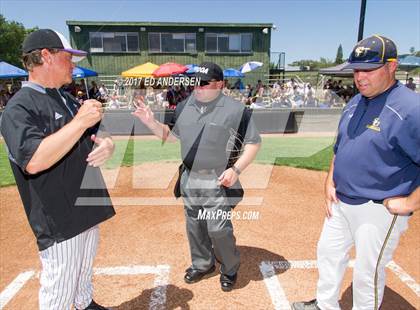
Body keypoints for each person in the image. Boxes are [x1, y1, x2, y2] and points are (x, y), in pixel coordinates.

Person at [292, 35, 420, 310]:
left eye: (369, 69)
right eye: (357, 70)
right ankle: (324, 306)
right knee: (328, 254)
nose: (360, 77)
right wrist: (330, 180)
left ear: (392, 66)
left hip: (379, 207)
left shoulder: (411, 108)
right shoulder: (355, 102)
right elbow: (340, 147)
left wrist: (410, 202)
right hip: (341, 201)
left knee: (367, 273)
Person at [0, 29, 115, 310]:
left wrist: (107, 144)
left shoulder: (64, 98)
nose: (73, 65)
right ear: (46, 56)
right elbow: (34, 160)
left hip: (84, 202)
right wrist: (79, 123)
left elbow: (96, 134)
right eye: (68, 58)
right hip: (58, 215)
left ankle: (85, 303)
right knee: (59, 288)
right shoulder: (18, 108)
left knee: (83, 272)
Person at [132, 62, 261, 292]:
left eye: (204, 83)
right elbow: (171, 136)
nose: (197, 87)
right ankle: (203, 264)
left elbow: (253, 143)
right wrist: (150, 122)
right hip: (190, 178)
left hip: (218, 179)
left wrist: (236, 169)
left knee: (218, 229)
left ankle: (230, 267)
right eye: (194, 82)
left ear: (220, 84)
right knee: (195, 226)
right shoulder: (184, 106)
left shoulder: (236, 110)